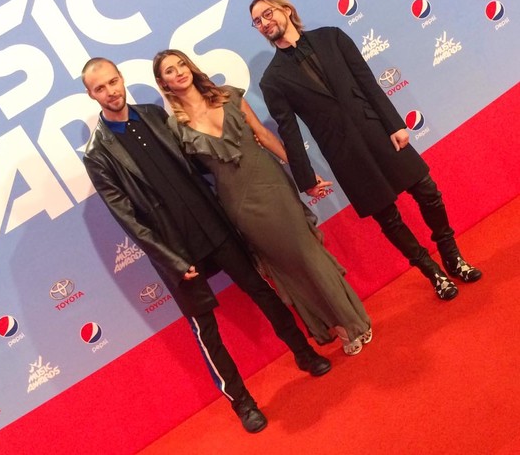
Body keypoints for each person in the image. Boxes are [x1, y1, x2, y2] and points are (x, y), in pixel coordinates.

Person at [81, 57, 332, 434]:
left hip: (214, 225)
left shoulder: (153, 114)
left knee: (262, 291)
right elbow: (128, 219)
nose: (111, 91)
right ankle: (243, 403)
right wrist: (171, 260)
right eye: (100, 88)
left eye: (113, 81)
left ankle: (304, 352)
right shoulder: (98, 153)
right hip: (176, 251)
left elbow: (199, 161)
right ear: (91, 95)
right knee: (206, 330)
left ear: (121, 79)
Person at [249, 0, 482, 301]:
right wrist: (305, 178)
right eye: (257, 21)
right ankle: (432, 273)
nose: (264, 23)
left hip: (378, 132)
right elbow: (289, 131)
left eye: (267, 14)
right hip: (345, 154)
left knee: (427, 190)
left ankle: (452, 256)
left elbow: (367, 81)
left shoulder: (332, 37)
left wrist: (394, 124)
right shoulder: (272, 80)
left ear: (286, 10)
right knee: (388, 218)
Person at [152, 49, 372, 357]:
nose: (179, 72)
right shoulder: (176, 128)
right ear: (163, 83)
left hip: (272, 184)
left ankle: (351, 320)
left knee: (308, 254)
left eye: (181, 65)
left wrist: (304, 174)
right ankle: (332, 326)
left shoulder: (228, 95)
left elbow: (264, 136)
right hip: (239, 204)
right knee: (286, 268)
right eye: (170, 71)